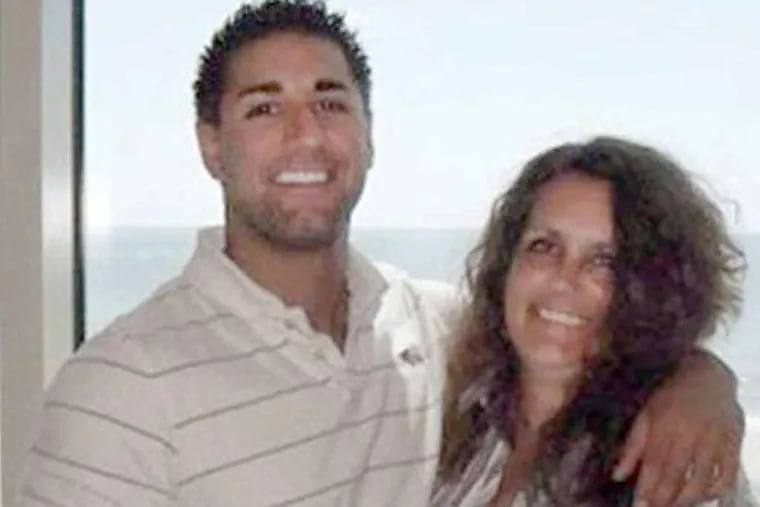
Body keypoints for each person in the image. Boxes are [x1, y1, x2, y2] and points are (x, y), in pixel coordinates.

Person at [17, 2, 745, 506]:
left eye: (330, 102)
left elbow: (577, 333)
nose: (306, 134)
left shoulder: (425, 327)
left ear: (369, 135)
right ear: (211, 145)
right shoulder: (121, 386)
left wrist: (701, 380)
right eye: (264, 107)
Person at [432, 137, 756, 506]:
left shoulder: (672, 462)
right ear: (506, 265)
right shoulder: (456, 416)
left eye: (605, 262)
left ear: (654, 290)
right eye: (544, 246)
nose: (563, 279)